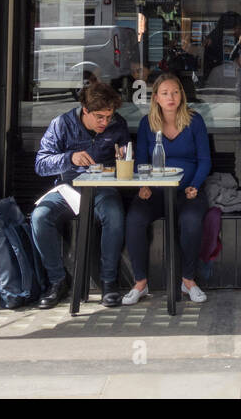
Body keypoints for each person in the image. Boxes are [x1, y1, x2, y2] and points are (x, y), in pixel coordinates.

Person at [31, 77, 131, 308]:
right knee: (40, 217)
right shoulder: (62, 124)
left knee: (114, 215)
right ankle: (57, 281)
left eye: (109, 116)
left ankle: (109, 282)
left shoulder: (118, 125)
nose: (105, 122)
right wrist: (69, 158)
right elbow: (40, 163)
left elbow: (127, 159)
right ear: (85, 111)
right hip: (68, 188)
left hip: (102, 187)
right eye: (99, 117)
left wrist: (122, 161)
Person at [125, 74, 212, 304]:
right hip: (155, 192)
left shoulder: (195, 121)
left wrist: (194, 185)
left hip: (187, 192)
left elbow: (205, 160)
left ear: (182, 95)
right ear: (156, 98)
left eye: (175, 92)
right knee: (134, 218)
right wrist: (143, 185)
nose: (171, 97)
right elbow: (141, 160)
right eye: (164, 93)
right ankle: (140, 282)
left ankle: (188, 281)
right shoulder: (147, 124)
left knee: (192, 221)